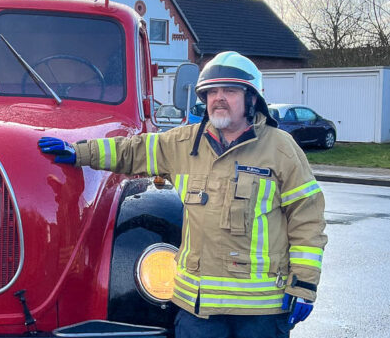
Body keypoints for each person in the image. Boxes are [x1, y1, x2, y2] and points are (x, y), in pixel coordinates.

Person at [38, 51, 326, 338]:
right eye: (212, 92)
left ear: (252, 98)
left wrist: (304, 284)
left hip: (259, 314)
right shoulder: (184, 143)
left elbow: (307, 220)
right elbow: (131, 151)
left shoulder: (281, 148)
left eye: (229, 90)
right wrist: (79, 152)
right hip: (198, 312)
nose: (219, 98)